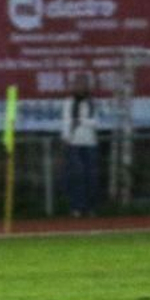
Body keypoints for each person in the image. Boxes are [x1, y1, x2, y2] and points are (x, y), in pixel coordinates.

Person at [60, 76, 100, 217]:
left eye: (83, 85)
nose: (80, 88)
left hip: (90, 142)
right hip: (73, 143)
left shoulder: (91, 103)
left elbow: (96, 122)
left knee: (91, 176)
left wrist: (80, 121)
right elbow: (66, 121)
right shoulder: (69, 102)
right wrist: (65, 138)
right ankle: (76, 207)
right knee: (77, 175)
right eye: (78, 85)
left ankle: (90, 207)